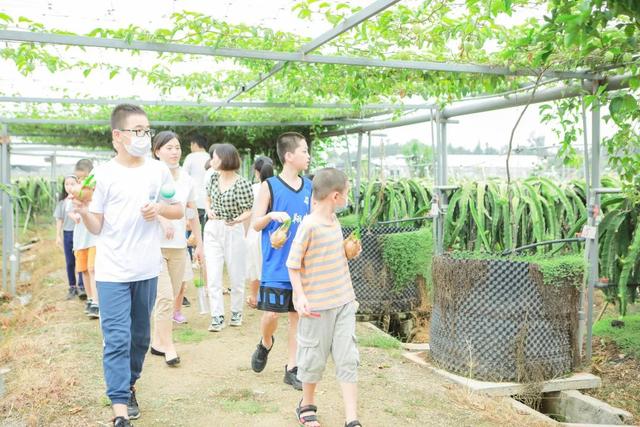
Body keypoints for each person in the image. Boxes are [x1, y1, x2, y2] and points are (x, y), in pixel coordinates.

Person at [72, 104, 184, 427]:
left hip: (147, 269)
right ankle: (119, 406)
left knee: (139, 339)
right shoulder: (102, 174)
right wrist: (84, 210)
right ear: (118, 136)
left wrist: (159, 209)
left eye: (147, 130)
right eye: (137, 131)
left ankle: (130, 383)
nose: (144, 136)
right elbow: (96, 225)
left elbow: (178, 209)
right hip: (112, 272)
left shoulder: (157, 171)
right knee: (117, 338)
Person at [287, 167, 361, 427]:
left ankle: (352, 418)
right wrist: (300, 296)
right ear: (335, 196)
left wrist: (348, 251)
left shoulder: (334, 221)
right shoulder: (309, 225)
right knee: (312, 359)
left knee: (348, 358)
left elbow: (330, 254)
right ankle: (306, 404)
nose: (348, 197)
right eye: (347, 193)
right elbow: (293, 264)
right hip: (316, 307)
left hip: (344, 301)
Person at [250, 132, 311, 391]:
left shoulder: (309, 187)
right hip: (275, 265)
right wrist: (271, 216)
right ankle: (266, 342)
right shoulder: (270, 186)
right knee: (271, 315)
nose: (308, 156)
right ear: (289, 156)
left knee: (298, 317)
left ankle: (292, 368)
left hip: (301, 266)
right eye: (304, 151)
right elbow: (255, 224)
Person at [150, 131, 203, 366]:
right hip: (155, 245)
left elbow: (191, 212)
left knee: (170, 297)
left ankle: (156, 342)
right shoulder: (150, 176)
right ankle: (169, 346)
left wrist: (198, 242)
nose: (174, 152)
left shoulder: (186, 179)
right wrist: (162, 219)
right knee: (164, 298)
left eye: (177, 147)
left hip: (179, 246)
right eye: (169, 148)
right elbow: (145, 205)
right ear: (157, 151)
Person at [203, 143, 254, 332]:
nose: (212, 160)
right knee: (213, 274)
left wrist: (237, 220)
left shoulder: (242, 183)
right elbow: (207, 198)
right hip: (212, 228)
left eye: (215, 157)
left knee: (236, 274)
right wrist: (208, 210)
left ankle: (236, 312)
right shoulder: (212, 178)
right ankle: (217, 316)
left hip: (233, 229)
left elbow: (249, 209)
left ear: (225, 159)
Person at [246, 156, 274, 309]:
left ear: (257, 172)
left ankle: (254, 297)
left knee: (255, 266)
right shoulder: (277, 188)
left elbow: (248, 214)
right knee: (268, 265)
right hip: (272, 233)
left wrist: (245, 234)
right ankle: (268, 297)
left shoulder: (253, 189)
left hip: (254, 231)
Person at [73, 159, 99, 318]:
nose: (81, 182)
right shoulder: (76, 195)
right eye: (79, 179)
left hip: (94, 238)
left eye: (84, 178)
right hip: (81, 239)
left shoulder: (96, 194)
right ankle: (90, 298)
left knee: (93, 269)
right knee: (84, 270)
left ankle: (96, 302)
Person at [54, 174, 85, 300]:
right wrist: (57, 235)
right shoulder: (62, 203)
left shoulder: (81, 200)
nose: (69, 186)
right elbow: (59, 220)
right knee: (70, 262)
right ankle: (72, 287)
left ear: (78, 185)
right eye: (67, 184)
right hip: (68, 233)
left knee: (81, 259)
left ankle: (82, 286)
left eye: (72, 184)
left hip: (80, 233)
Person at [182, 135, 209, 231]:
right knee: (204, 230)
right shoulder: (210, 157)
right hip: (207, 202)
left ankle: (190, 241)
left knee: (190, 228)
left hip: (192, 201)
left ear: (194, 144)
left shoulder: (190, 157)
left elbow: (183, 177)